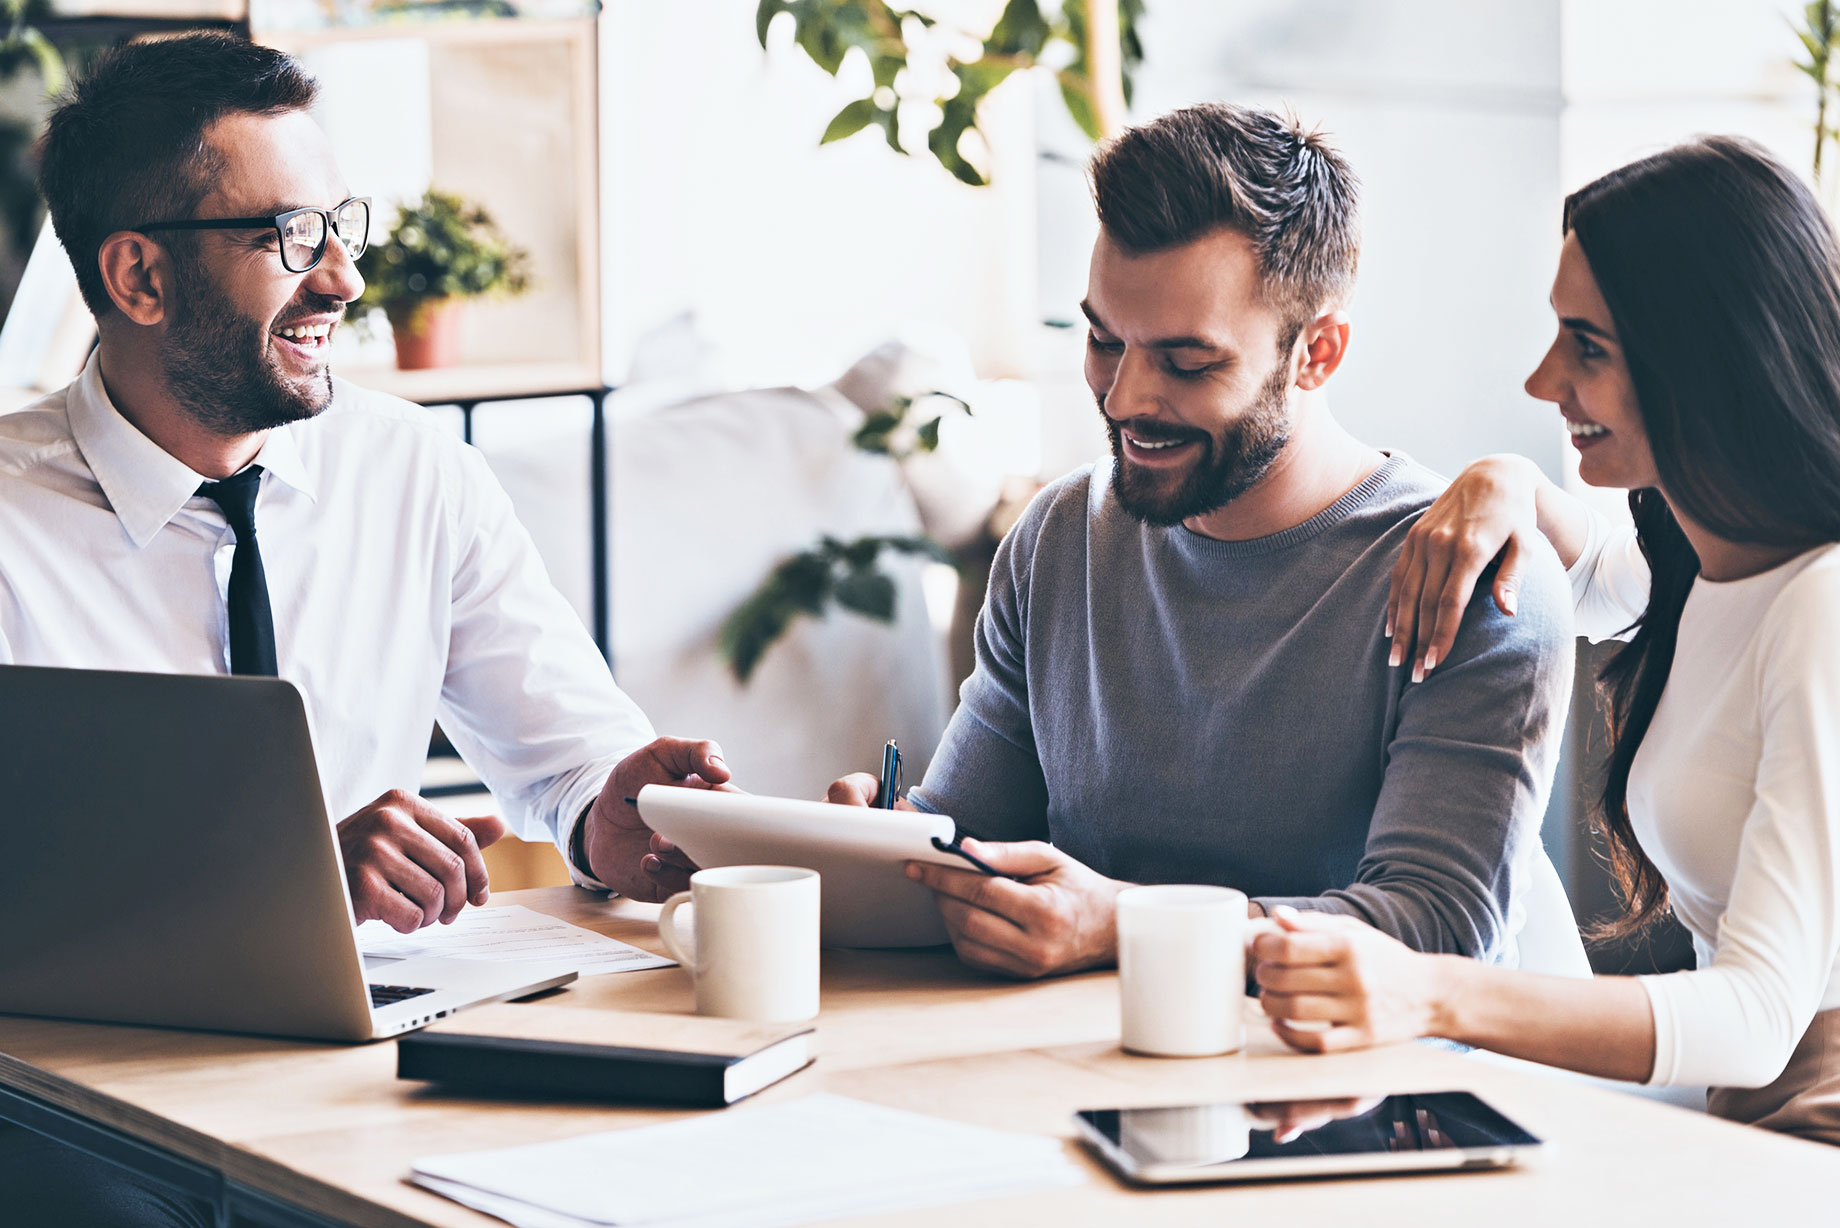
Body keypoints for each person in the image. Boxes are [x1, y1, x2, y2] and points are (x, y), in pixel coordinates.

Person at [0, 34, 709, 1222]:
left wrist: (612, 813)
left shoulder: (415, 472)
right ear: (137, 279)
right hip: (72, 1107)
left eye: (341, 226)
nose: (340, 279)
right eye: (288, 238)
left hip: (374, 1078)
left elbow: (570, 756)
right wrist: (278, 887)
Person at [803, 102, 1584, 981]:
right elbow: (978, 843)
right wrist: (890, 849)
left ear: (1316, 354)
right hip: (1076, 1076)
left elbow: (1438, 927)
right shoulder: (1058, 541)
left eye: (1186, 362)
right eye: (1104, 340)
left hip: (1374, 1102)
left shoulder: (1472, 577)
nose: (1126, 397)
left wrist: (1127, 925)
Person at [1252, 135, 1840, 1146]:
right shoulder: (1713, 549)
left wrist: (1430, 993)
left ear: (1706, 361)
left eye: (1588, 347)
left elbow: (1749, 1024)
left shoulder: (1821, 606)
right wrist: (1503, 481)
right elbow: (1592, 576)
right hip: (1738, 1101)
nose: (1540, 380)